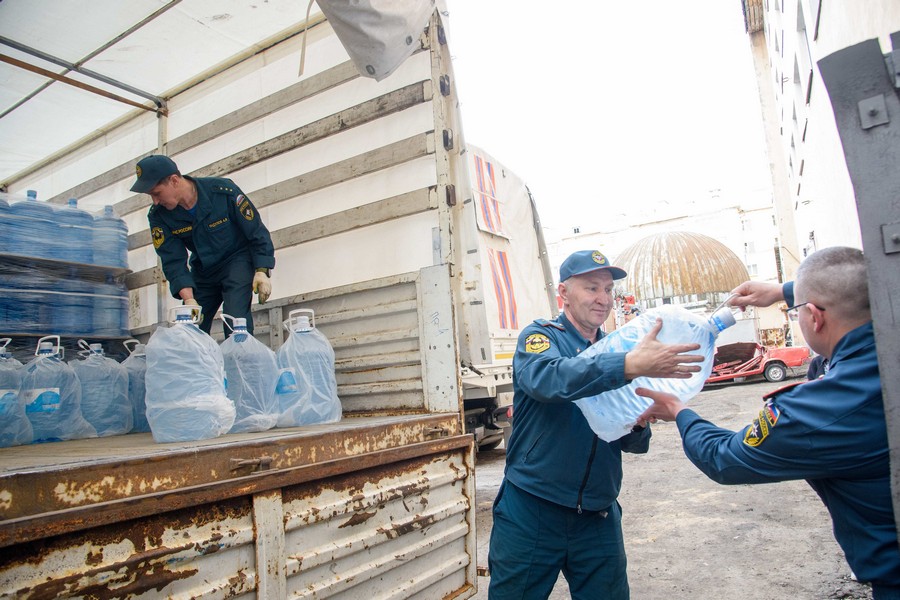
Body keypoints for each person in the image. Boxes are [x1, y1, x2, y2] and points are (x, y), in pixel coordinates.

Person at [636, 246, 900, 599]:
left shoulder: (820, 410)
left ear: (814, 318)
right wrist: (784, 292)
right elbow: (856, 286)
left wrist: (680, 411)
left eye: (796, 312)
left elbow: (724, 459)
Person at [488, 249, 705, 600]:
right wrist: (628, 365)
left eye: (608, 290)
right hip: (533, 508)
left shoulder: (619, 350)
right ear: (563, 293)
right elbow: (548, 380)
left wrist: (638, 422)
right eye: (592, 288)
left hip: (598, 514)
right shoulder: (541, 337)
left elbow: (634, 442)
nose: (603, 299)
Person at [130, 155, 275, 336]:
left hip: (236, 261)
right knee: (190, 328)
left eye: (156, 193)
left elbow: (255, 231)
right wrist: (189, 300)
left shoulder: (223, 191)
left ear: (174, 180)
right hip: (203, 268)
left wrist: (262, 270)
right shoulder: (159, 216)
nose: (155, 201)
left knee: (236, 323)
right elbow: (172, 259)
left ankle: (241, 361)